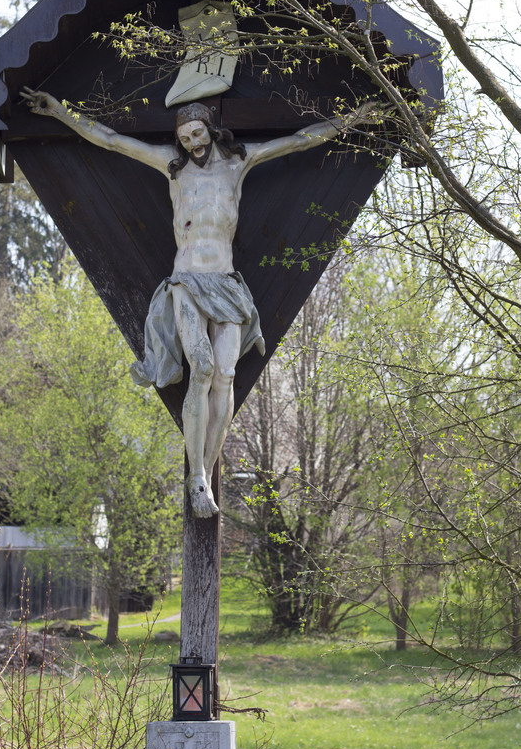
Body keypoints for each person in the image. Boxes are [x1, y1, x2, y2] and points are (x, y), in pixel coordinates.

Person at [21, 87, 380, 517]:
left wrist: (355, 118)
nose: (193, 143)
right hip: (187, 281)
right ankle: (196, 479)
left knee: (225, 375)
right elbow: (112, 140)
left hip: (226, 283)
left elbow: (300, 140)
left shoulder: (238, 163)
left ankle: (203, 475)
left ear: (210, 129)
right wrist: (60, 112)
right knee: (203, 368)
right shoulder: (172, 169)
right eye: (185, 138)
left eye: (198, 133)